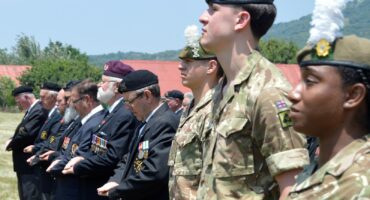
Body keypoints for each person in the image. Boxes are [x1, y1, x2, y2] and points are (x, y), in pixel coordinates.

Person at [197, 0, 309, 199]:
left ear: (241, 20)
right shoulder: (221, 89)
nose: (203, 17)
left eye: (213, 9)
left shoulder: (268, 91)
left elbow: (292, 185)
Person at [285, 0, 370, 198]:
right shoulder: (316, 171)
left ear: (352, 95)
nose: (293, 94)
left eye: (310, 81)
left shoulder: (361, 183)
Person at [97, 70, 179, 200]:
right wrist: (115, 180)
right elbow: (128, 158)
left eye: (130, 101)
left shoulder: (165, 123)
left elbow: (155, 173)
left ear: (147, 96)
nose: (127, 107)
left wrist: (118, 190)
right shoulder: (145, 121)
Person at [62, 61, 138, 200]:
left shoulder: (124, 114)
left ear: (116, 87)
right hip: (94, 182)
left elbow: (113, 156)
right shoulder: (113, 112)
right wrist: (83, 157)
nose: (98, 85)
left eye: (103, 82)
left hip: (104, 185)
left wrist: (80, 165)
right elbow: (98, 148)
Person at [168, 25, 223, 200]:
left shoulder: (216, 109)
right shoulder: (191, 107)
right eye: (181, 61)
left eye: (189, 62)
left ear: (211, 66)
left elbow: (216, 177)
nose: (180, 66)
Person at [47, 80, 106, 200]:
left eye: (74, 101)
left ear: (87, 100)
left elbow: (81, 156)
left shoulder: (97, 122)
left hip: (78, 190)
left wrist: (54, 167)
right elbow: (68, 151)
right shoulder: (84, 121)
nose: (71, 105)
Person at [5, 85, 48, 200]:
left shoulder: (38, 110)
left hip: (30, 163)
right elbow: (22, 130)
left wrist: (11, 144)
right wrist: (12, 138)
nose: (18, 104)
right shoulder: (31, 110)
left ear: (26, 98)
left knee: (30, 195)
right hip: (24, 163)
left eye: (19, 101)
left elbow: (26, 133)